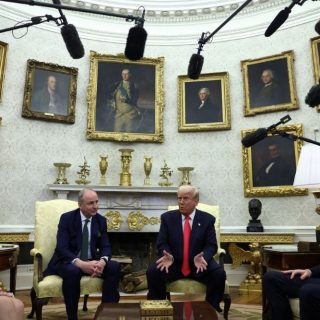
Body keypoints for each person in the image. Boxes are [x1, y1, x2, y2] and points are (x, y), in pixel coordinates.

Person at [146, 185, 226, 312]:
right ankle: (159, 309)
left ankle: (210, 310)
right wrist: (168, 255)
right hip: (174, 263)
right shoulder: (167, 218)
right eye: (179, 198)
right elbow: (162, 242)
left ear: (196, 201)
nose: (181, 202)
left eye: (185, 198)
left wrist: (204, 257)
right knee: (153, 272)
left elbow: (211, 245)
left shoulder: (207, 220)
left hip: (199, 263)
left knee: (218, 274)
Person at [44, 188, 121, 320]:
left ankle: (107, 313)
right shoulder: (67, 218)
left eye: (97, 202)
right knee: (72, 271)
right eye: (91, 203)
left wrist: (102, 261)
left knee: (114, 267)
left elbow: (106, 246)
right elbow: (62, 248)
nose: (96, 206)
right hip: (69, 262)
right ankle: (72, 316)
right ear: (80, 204)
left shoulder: (101, 220)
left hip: (92, 261)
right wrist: (80, 264)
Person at [108, 68, 140, 132]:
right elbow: (108, 95)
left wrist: (126, 100)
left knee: (129, 134)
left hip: (130, 115)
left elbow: (134, 101)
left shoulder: (134, 86)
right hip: (118, 115)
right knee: (116, 133)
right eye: (123, 74)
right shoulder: (116, 85)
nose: (124, 76)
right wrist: (111, 102)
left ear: (130, 75)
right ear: (121, 75)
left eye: (126, 74)